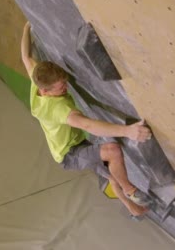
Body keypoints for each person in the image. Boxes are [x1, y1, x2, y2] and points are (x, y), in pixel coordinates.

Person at [21, 21, 152, 216]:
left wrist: (25, 29)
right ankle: (130, 191)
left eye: (64, 82)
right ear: (45, 91)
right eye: (60, 87)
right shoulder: (58, 109)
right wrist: (128, 131)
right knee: (112, 151)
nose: (65, 87)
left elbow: (25, 57)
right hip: (69, 155)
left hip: (73, 144)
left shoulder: (38, 78)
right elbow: (88, 125)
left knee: (113, 175)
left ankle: (134, 209)